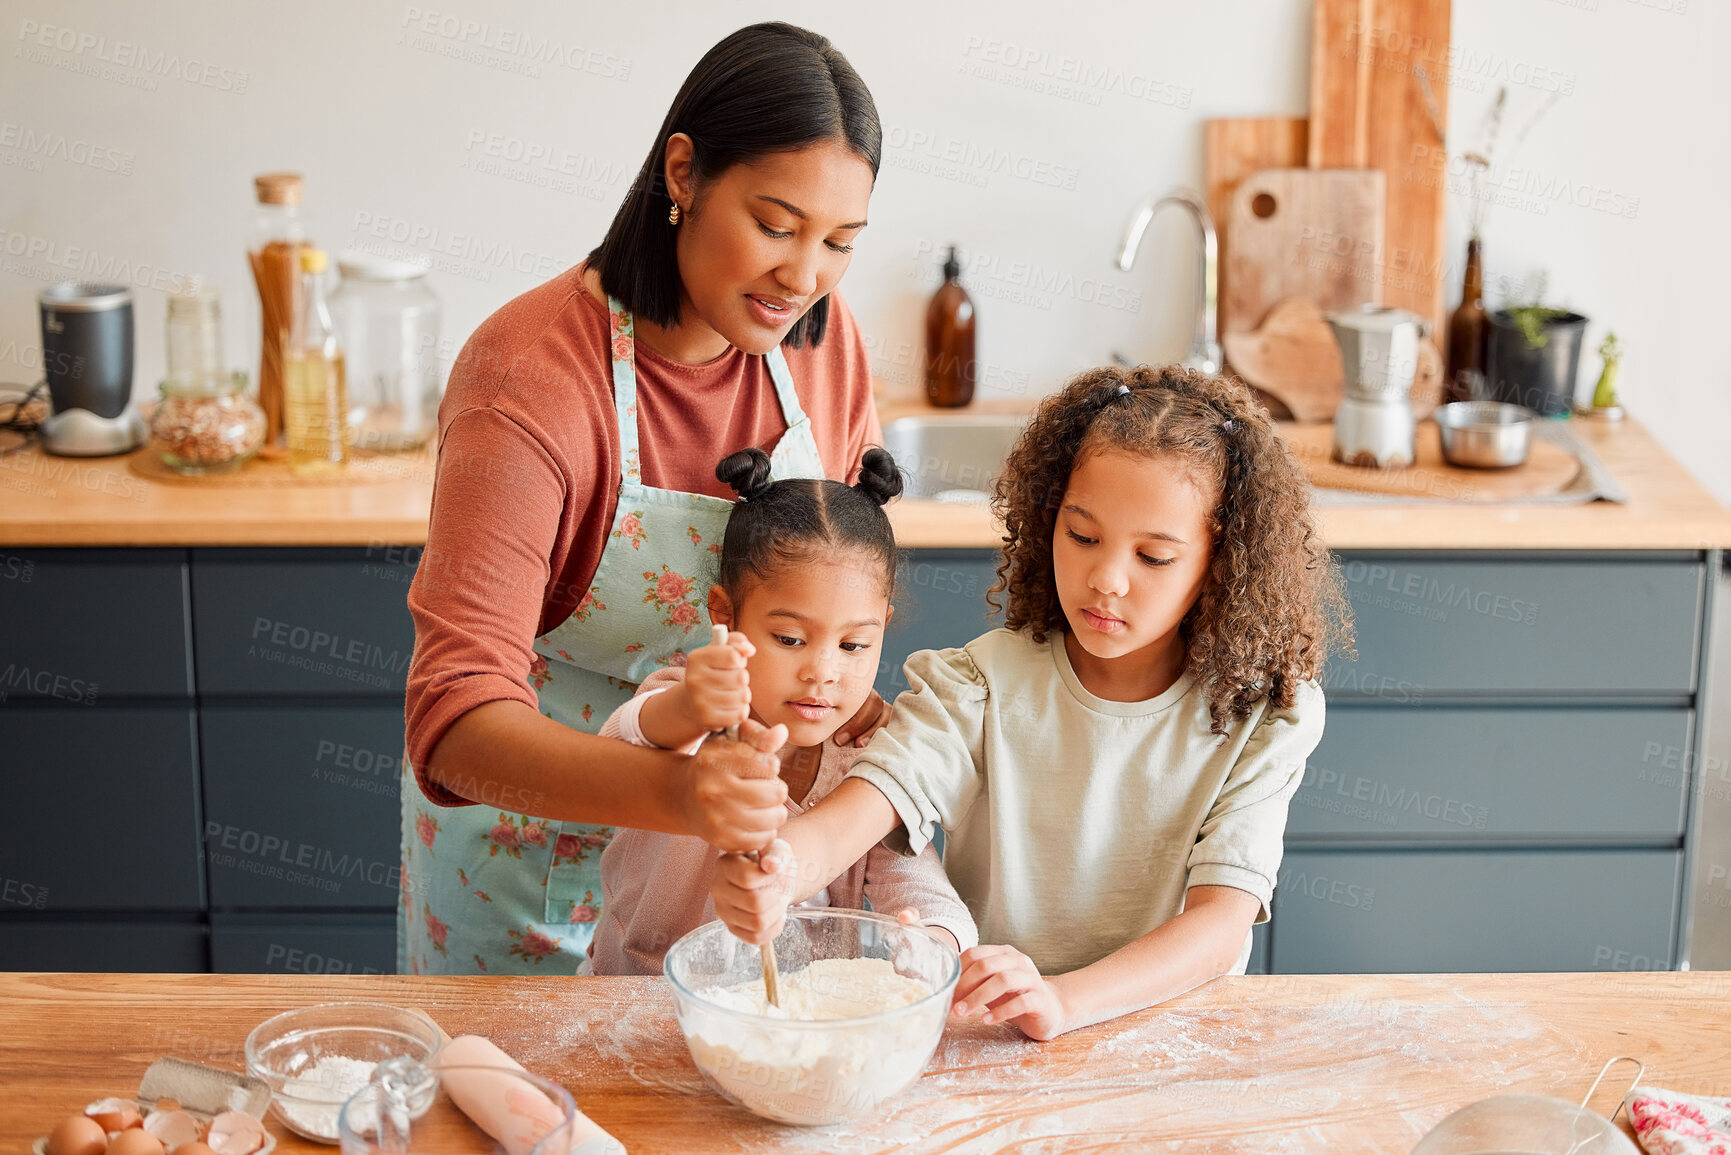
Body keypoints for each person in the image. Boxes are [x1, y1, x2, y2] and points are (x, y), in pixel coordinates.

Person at [399, 22, 890, 975]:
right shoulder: (529, 379)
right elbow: (454, 721)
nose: (805, 276)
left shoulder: (823, 346)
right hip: (531, 874)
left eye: (839, 241)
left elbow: (848, 600)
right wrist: (679, 796)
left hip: (730, 881)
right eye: (776, 225)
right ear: (682, 173)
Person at [712, 365, 1353, 1038]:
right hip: (997, 1034)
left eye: (1153, 557)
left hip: (1172, 1033)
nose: (1105, 579)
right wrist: (780, 869)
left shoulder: (1262, 714)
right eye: (1081, 536)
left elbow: (1220, 922)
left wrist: (1065, 998)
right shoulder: (977, 684)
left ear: (1218, 562)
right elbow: (870, 801)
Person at [589, 446, 978, 975]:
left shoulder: (873, 752)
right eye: (790, 639)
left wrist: (930, 941)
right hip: (633, 993)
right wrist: (689, 708)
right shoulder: (689, 705)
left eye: (854, 646)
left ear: (883, 626)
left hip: (783, 1027)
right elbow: (617, 752)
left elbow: (920, 887)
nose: (823, 672)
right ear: (725, 614)